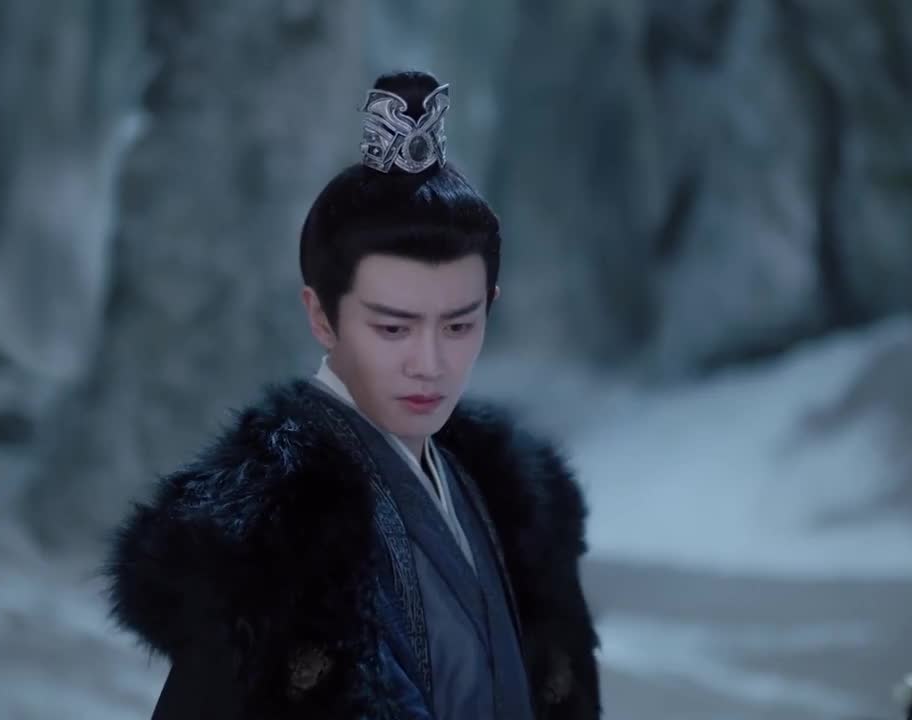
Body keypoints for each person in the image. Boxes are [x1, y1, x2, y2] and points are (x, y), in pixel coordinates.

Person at [104, 69, 601, 719]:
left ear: (491, 307)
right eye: (393, 328)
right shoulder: (266, 532)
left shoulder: (513, 501)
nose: (429, 364)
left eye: (458, 326)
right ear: (321, 315)